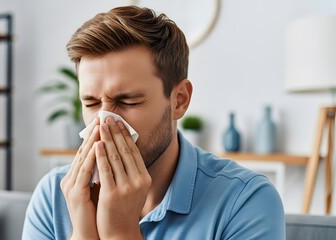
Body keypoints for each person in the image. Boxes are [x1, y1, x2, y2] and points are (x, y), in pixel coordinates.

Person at [22, 5, 285, 240]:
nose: (102, 124)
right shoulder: (54, 196)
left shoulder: (244, 202)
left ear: (179, 101)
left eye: (128, 101)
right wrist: (82, 232)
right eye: (91, 103)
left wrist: (120, 233)